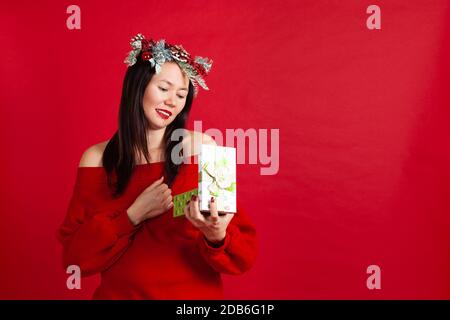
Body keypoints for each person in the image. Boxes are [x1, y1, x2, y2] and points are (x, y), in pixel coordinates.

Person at [57, 33, 258, 299]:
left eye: (181, 94)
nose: (172, 101)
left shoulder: (209, 149)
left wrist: (217, 234)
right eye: (164, 89)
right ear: (138, 87)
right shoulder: (95, 159)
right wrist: (132, 215)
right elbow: (76, 258)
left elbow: (243, 253)